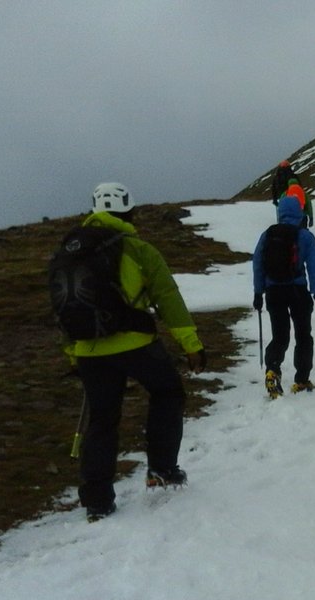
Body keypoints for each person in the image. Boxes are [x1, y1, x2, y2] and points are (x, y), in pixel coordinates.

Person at [68, 182, 207, 521]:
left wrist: (73, 352)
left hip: (88, 349)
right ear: (129, 210)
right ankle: (161, 470)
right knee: (167, 392)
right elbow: (168, 299)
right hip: (136, 344)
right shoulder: (138, 249)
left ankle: (97, 501)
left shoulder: (70, 251)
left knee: (102, 419)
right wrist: (192, 345)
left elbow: (66, 306)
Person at [253, 195, 315, 397]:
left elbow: (258, 264)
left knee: (280, 336)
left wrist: (258, 292)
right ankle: (301, 380)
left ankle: (272, 370)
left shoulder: (268, 235)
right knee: (303, 336)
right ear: (299, 211)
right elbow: (314, 267)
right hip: (297, 292)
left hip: (273, 292)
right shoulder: (305, 236)